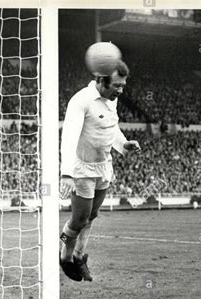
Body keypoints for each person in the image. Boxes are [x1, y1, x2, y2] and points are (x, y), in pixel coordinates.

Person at [59, 60, 141, 282]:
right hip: (82, 168)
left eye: (123, 85)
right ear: (100, 81)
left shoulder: (111, 100)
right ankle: (65, 258)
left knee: (92, 216)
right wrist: (66, 173)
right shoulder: (81, 101)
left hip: (103, 166)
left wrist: (124, 144)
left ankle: (78, 257)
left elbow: (110, 128)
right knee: (80, 218)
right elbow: (69, 136)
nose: (121, 90)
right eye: (117, 85)